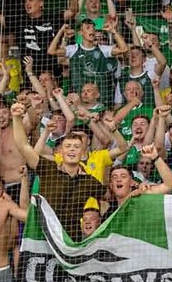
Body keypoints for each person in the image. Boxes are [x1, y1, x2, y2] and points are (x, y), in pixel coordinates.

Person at [9, 101, 105, 240]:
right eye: (68, 146)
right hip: (43, 239)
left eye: (76, 147)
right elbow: (23, 146)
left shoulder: (89, 181)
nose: (72, 149)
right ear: (61, 151)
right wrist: (16, 118)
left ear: (82, 151)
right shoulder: (47, 168)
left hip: (71, 243)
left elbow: (112, 199)